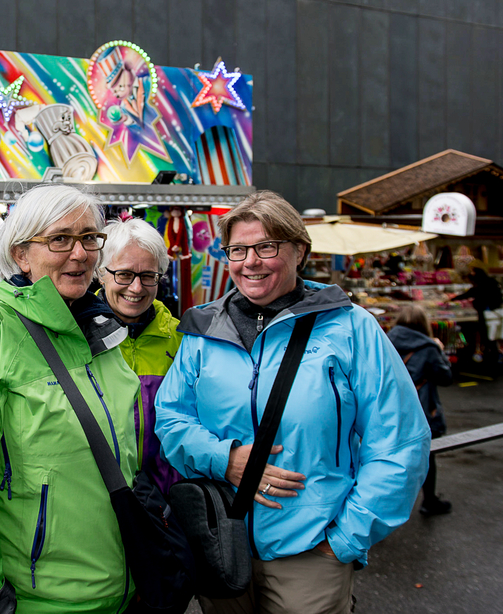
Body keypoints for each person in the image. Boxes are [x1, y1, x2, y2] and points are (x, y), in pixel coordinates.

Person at [154, 190, 430, 614]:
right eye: (238, 249)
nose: (250, 262)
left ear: (299, 250)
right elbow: (171, 418)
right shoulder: (203, 331)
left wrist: (346, 539)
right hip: (221, 539)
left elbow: (399, 442)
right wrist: (223, 458)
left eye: (266, 247)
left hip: (311, 550)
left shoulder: (352, 329)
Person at [0, 184, 140, 614]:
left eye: (89, 238)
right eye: (59, 239)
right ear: (21, 253)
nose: (79, 254)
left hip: (123, 591)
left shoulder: (100, 328)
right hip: (38, 600)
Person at [97, 217, 182, 495]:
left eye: (148, 276)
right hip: (99, 498)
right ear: (101, 272)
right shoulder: (74, 339)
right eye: (123, 274)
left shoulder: (182, 340)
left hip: (167, 502)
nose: (136, 288)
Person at [387, 305, 454, 516]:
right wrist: (440, 351)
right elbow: (445, 378)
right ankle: (429, 500)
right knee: (427, 455)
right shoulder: (429, 348)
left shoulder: (384, 341)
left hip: (390, 410)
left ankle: (383, 508)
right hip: (422, 409)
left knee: (387, 457)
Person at [451, 266, 503, 366]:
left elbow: (470, 294)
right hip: (493, 315)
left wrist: (452, 299)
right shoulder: (491, 282)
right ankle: (492, 359)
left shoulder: (481, 286)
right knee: (491, 338)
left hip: (485, 315)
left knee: (487, 337)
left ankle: (489, 360)